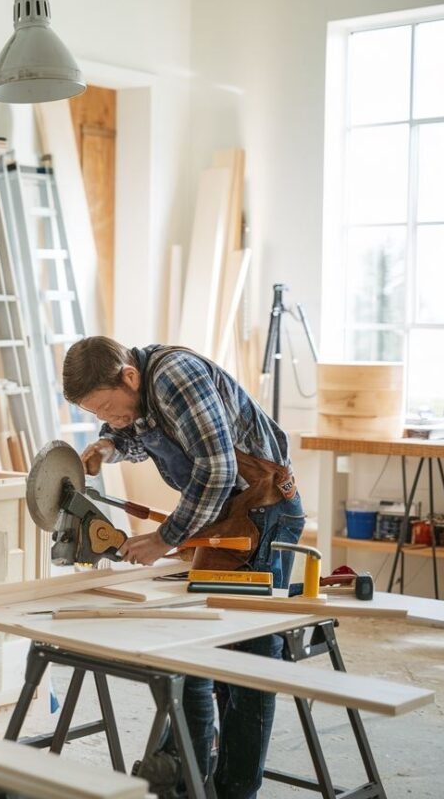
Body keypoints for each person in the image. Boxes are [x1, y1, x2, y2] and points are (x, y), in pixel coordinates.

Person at [62, 336, 305, 799]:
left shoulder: (176, 375)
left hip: (263, 511)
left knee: (250, 658)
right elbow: (143, 433)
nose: (107, 418)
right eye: (97, 415)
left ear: (129, 377)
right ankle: (188, 769)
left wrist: (164, 538)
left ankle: (234, 789)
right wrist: (108, 446)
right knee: (197, 643)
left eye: (108, 408)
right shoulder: (142, 390)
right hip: (228, 512)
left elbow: (217, 468)